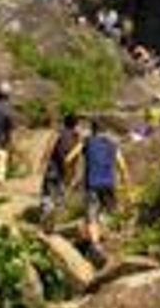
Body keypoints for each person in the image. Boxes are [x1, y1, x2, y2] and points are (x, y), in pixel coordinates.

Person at [69, 120, 129, 267]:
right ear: (106, 131)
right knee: (109, 213)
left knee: (92, 217)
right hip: (109, 184)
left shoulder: (87, 141)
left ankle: (96, 246)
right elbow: (123, 167)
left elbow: (69, 158)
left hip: (92, 184)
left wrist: (72, 175)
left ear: (92, 130)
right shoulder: (112, 144)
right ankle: (113, 241)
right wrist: (127, 189)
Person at [39, 112, 81, 230]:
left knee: (47, 194)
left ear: (64, 122)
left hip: (52, 168)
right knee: (59, 196)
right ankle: (55, 223)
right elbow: (75, 157)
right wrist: (73, 172)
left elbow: (49, 149)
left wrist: (42, 163)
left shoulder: (58, 134)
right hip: (65, 171)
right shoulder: (76, 137)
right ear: (76, 124)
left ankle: (45, 221)